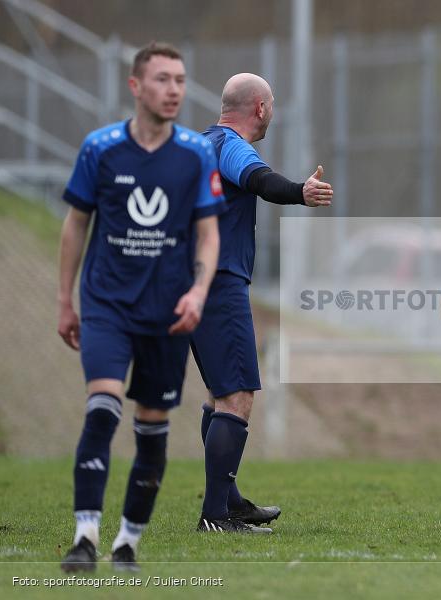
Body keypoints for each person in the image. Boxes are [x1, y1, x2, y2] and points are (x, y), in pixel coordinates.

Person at [57, 42, 225, 572]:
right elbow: (76, 224)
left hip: (167, 311)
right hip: (106, 303)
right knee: (103, 408)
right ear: (135, 86)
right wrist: (66, 299)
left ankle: (127, 542)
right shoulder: (99, 149)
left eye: (179, 79)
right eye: (162, 79)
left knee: (152, 430)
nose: (174, 89)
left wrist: (198, 293)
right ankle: (85, 536)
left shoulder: (196, 154)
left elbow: (207, 234)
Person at [191, 73, 333, 532]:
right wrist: (301, 193)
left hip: (190, 281)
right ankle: (215, 515)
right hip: (221, 282)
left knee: (219, 395)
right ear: (261, 110)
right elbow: (261, 181)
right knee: (239, 397)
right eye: (271, 105)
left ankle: (228, 501)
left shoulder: (194, 146)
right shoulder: (231, 145)